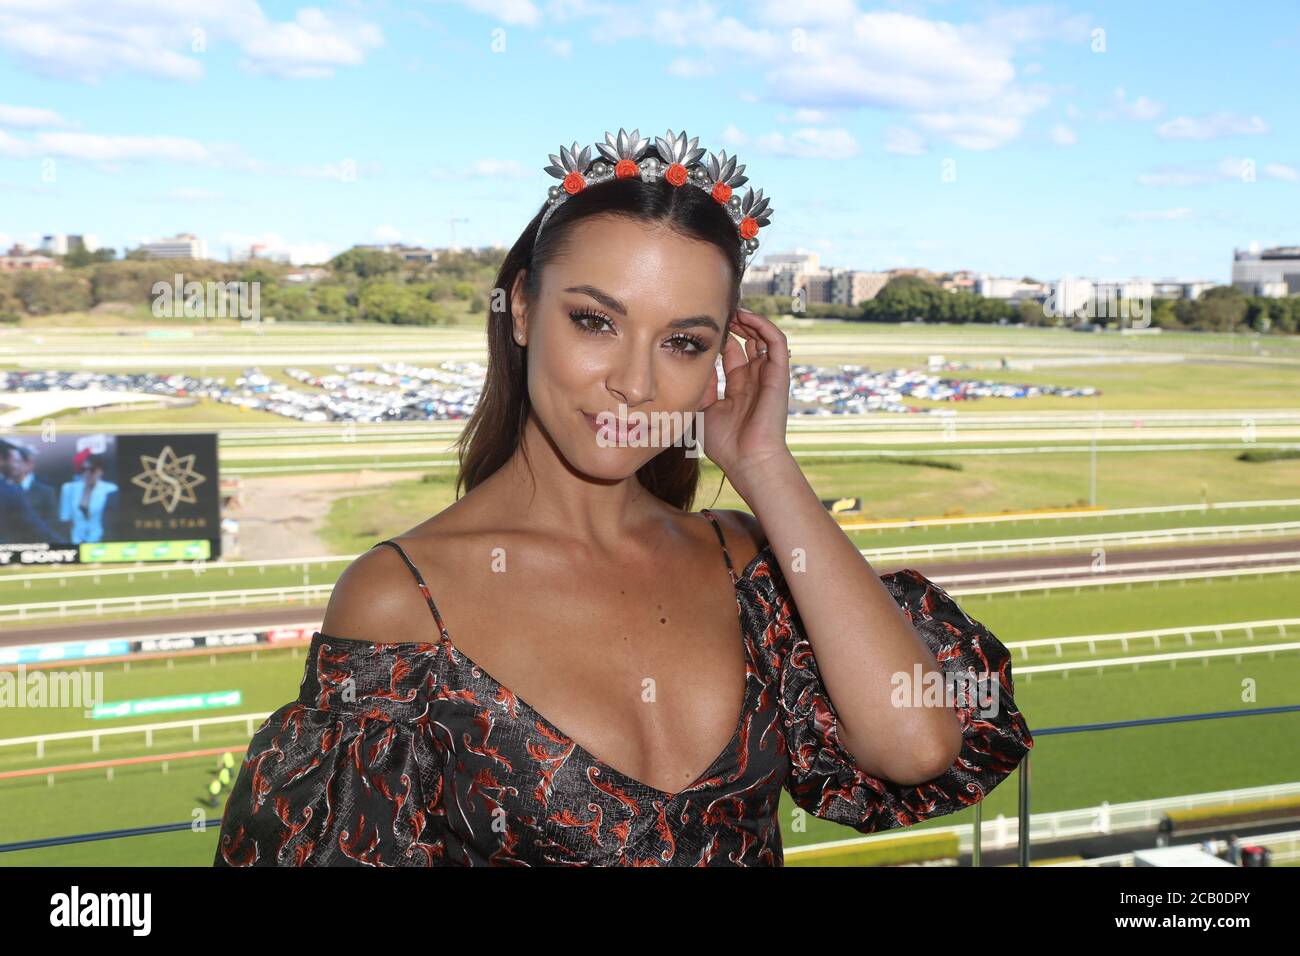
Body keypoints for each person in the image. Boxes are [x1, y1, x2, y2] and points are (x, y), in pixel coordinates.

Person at [214, 126, 1035, 867]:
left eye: (682, 342)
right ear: (525, 311)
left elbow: (917, 746)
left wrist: (765, 465)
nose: (636, 384)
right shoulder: (402, 597)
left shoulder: (740, 557)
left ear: (720, 357)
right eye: (595, 322)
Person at [0, 438, 57, 544]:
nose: (14, 466)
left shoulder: (45, 490)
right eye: (11, 460)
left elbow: (47, 525)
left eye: (17, 461)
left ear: (28, 464)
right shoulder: (10, 492)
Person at [58, 452, 118, 544]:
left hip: (101, 542)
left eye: (91, 470)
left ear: (100, 471)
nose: (87, 473)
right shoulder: (69, 489)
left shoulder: (110, 489)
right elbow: (65, 519)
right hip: (74, 542)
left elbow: (111, 522)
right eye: (83, 470)